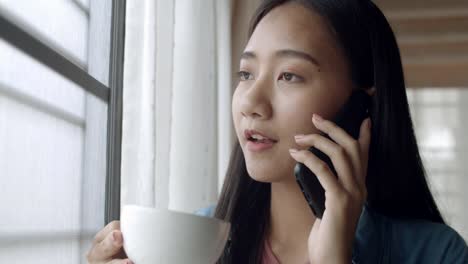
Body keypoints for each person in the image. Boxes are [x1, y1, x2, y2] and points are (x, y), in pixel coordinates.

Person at [86, 0, 468, 263]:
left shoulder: (438, 254)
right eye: (246, 73)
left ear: (360, 105)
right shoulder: (196, 242)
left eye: (289, 75)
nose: (252, 101)